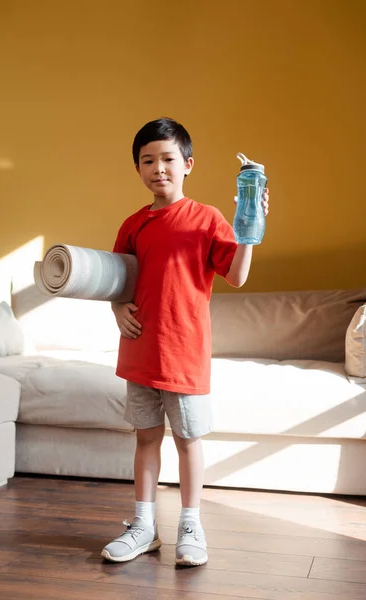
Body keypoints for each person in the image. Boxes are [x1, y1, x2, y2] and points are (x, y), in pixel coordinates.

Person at [101, 117, 269, 566]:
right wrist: (118, 309)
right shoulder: (133, 225)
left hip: (185, 355)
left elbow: (236, 275)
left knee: (188, 441)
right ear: (138, 168)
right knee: (146, 439)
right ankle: (144, 526)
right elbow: (117, 281)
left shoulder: (207, 219)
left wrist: (249, 228)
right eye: (147, 160)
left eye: (168, 159)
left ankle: (191, 525)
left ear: (188, 164)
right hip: (140, 355)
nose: (158, 168)